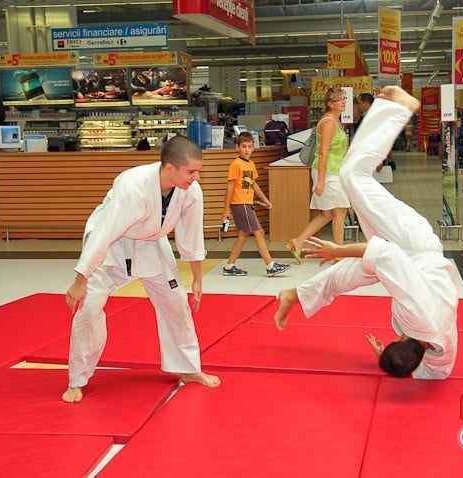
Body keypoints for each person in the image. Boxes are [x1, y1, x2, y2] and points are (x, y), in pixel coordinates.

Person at [274, 86, 458, 379]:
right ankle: (397, 109)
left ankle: (293, 295)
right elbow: (387, 252)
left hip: (409, 261)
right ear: (400, 338)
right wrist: (337, 250)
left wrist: (388, 357)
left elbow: (421, 371)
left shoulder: (441, 353)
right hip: (413, 244)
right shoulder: (417, 316)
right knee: (351, 175)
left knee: (344, 276)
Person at [62, 135, 220, 403]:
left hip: (151, 245)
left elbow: (191, 237)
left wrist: (197, 279)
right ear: (170, 167)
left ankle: (188, 369)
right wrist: (81, 278)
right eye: (191, 171)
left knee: (176, 303)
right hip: (111, 246)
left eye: (198, 171)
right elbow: (103, 233)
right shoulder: (132, 186)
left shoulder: (191, 191)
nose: (196, 177)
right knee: (88, 310)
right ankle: (77, 379)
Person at [287, 86, 351, 263]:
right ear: (331, 104)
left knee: (328, 214)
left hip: (334, 171)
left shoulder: (336, 120)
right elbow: (322, 152)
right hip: (327, 173)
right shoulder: (329, 122)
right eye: (339, 99)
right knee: (340, 211)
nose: (343, 101)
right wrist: (321, 182)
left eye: (343, 98)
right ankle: (338, 254)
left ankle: (297, 241)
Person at [221, 131, 291, 278]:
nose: (247, 149)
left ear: (253, 148)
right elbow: (230, 187)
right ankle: (270, 266)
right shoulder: (236, 164)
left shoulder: (251, 164)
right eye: (244, 146)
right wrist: (226, 209)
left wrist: (265, 200)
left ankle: (229, 266)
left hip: (246, 203)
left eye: (249, 146)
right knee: (259, 232)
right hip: (240, 204)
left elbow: (252, 184)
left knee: (243, 234)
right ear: (237, 148)